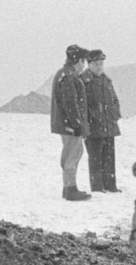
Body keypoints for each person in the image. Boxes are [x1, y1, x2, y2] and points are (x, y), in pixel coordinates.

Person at [50, 44, 92, 201]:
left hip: (66, 123)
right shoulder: (69, 77)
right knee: (72, 154)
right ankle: (70, 188)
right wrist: (76, 124)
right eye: (84, 61)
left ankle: (69, 187)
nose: (84, 66)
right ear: (79, 61)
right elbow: (70, 103)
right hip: (69, 124)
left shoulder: (64, 74)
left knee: (74, 152)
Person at [80, 49, 122, 193]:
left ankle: (110, 185)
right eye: (96, 64)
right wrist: (89, 121)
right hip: (94, 126)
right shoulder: (83, 81)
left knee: (109, 157)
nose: (99, 67)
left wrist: (114, 114)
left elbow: (115, 100)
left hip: (109, 124)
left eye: (101, 64)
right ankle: (97, 187)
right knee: (95, 158)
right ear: (89, 64)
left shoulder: (106, 80)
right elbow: (82, 105)